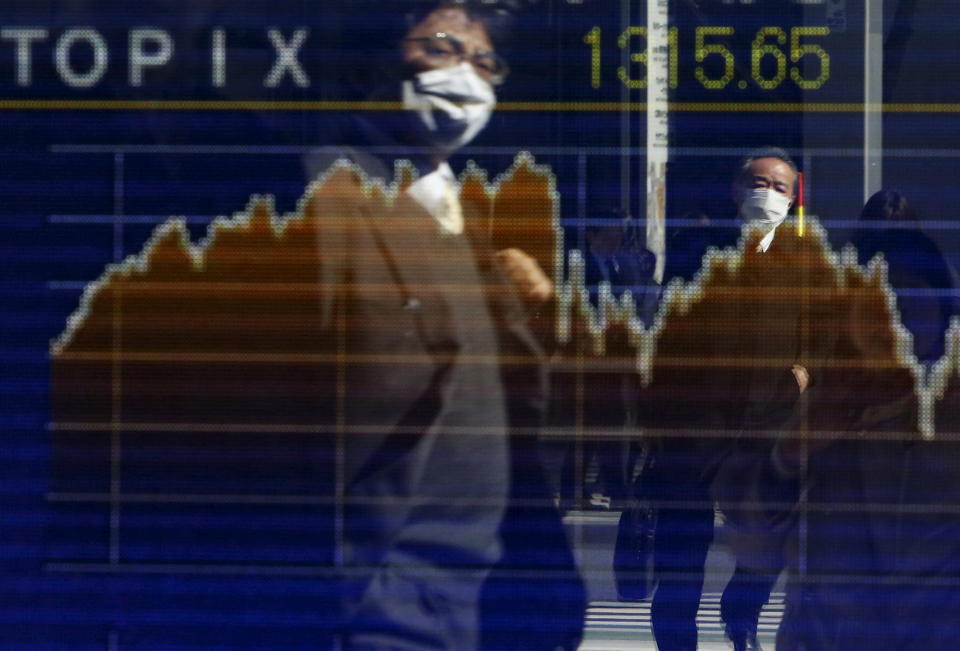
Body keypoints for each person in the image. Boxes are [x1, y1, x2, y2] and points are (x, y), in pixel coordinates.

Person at [303, 3, 584, 649]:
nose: (466, 74)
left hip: (484, 605)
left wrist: (523, 319)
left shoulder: (458, 216)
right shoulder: (326, 190)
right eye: (441, 47)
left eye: (485, 60)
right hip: (382, 605)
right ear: (379, 58)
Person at [713, 188, 960, 650]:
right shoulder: (816, 397)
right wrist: (788, 455)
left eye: (909, 303)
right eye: (877, 310)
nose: (893, 324)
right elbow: (751, 535)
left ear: (941, 309)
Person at [636, 148, 807, 651]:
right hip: (693, 432)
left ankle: (742, 610)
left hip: (769, 429)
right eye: (758, 183)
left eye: (779, 187)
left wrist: (805, 370)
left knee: (766, 550)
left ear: (793, 197)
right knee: (681, 565)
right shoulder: (696, 251)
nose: (767, 194)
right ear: (736, 190)